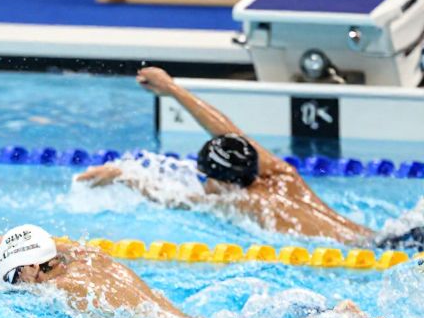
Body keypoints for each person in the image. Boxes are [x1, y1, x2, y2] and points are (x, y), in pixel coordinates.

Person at [76, 67, 423, 250]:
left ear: (224, 181)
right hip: (385, 235)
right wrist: (171, 89)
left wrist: (123, 175)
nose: (203, 184)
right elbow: (230, 132)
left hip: (374, 253)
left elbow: (174, 199)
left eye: (205, 177)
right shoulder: (283, 175)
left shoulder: (244, 203)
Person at [0, 224, 361, 318]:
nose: (19, 285)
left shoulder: (60, 288)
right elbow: (42, 244)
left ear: (32, 267)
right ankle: (327, 315)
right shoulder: (86, 254)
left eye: (16, 276)